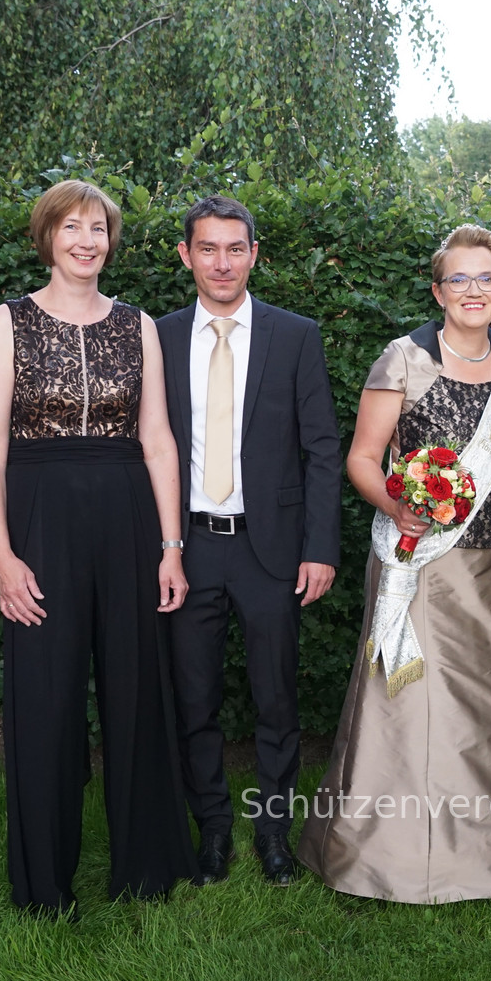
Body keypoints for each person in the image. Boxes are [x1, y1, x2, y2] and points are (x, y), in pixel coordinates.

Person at [296, 224, 491, 903]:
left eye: (486, 278)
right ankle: (387, 855)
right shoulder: (403, 359)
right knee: (403, 701)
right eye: (459, 279)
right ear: (438, 291)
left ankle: (489, 854)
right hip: (417, 561)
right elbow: (361, 457)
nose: (474, 290)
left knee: (485, 706)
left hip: (489, 564)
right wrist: (397, 505)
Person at [0, 178, 195, 915]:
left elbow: (158, 440)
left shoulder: (138, 325)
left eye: (97, 228)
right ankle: (43, 886)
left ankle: (146, 870)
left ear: (110, 241)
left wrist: (171, 547)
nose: (86, 241)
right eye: (71, 227)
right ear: (48, 237)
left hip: (129, 517)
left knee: (137, 691)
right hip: (40, 521)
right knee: (46, 698)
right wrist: (4, 558)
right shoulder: (7, 322)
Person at [156, 195, 342, 886]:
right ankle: (211, 829)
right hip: (188, 547)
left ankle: (272, 831)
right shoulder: (159, 338)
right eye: (208, 248)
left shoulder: (295, 336)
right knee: (193, 698)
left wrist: (319, 547)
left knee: (276, 699)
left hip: (273, 550)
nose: (222, 263)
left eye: (235, 248)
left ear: (254, 254)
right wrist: (161, 547)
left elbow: (322, 450)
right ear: (186, 255)